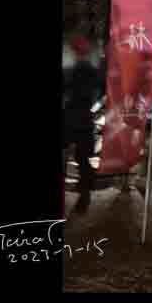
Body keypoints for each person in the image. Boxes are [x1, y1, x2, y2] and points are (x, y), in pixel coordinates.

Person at [64, 37, 103, 214]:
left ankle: (83, 196)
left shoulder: (72, 71)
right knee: (83, 160)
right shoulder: (93, 72)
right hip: (84, 119)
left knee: (76, 158)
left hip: (71, 118)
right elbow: (101, 92)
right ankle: (84, 197)